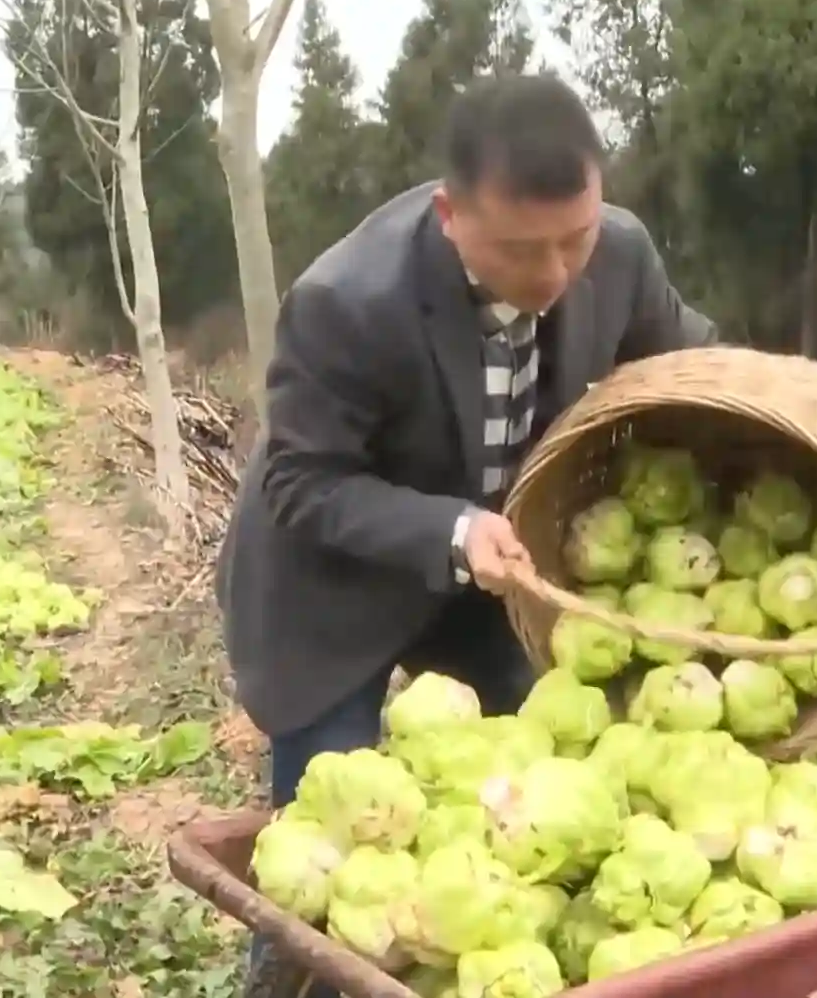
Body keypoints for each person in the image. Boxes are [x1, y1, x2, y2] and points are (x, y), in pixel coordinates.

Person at [216, 74, 718, 995]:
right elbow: (301, 480)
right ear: (451, 216)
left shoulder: (620, 255)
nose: (559, 272)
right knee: (332, 858)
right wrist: (452, 528)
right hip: (337, 585)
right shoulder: (347, 300)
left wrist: (779, 400)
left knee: (540, 791)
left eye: (576, 238)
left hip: (495, 580)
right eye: (526, 250)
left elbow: (690, 365)